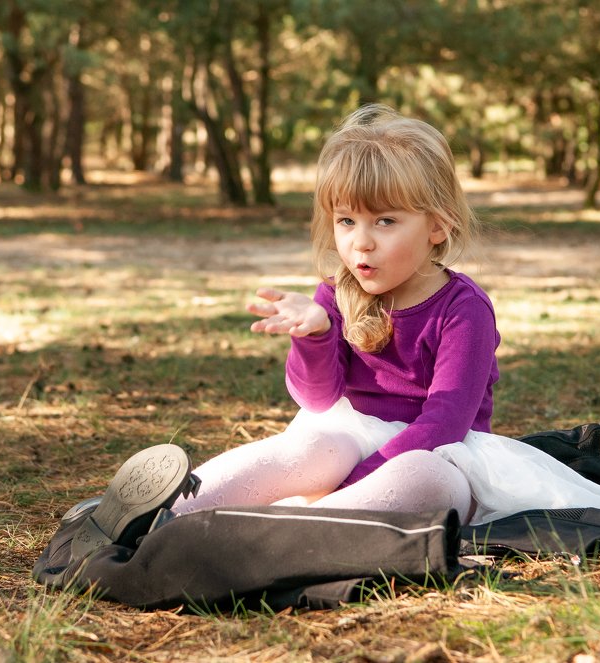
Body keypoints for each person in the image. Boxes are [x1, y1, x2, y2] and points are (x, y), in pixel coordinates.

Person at [69, 103, 500, 562]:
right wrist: (313, 337)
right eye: (346, 221)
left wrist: (357, 480)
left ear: (438, 224)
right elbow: (316, 401)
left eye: (385, 221)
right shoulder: (336, 294)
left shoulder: (463, 309)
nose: (361, 242)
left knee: (424, 477)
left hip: (441, 454)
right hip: (350, 443)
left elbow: (444, 423)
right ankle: (163, 516)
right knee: (312, 446)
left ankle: (280, 534)